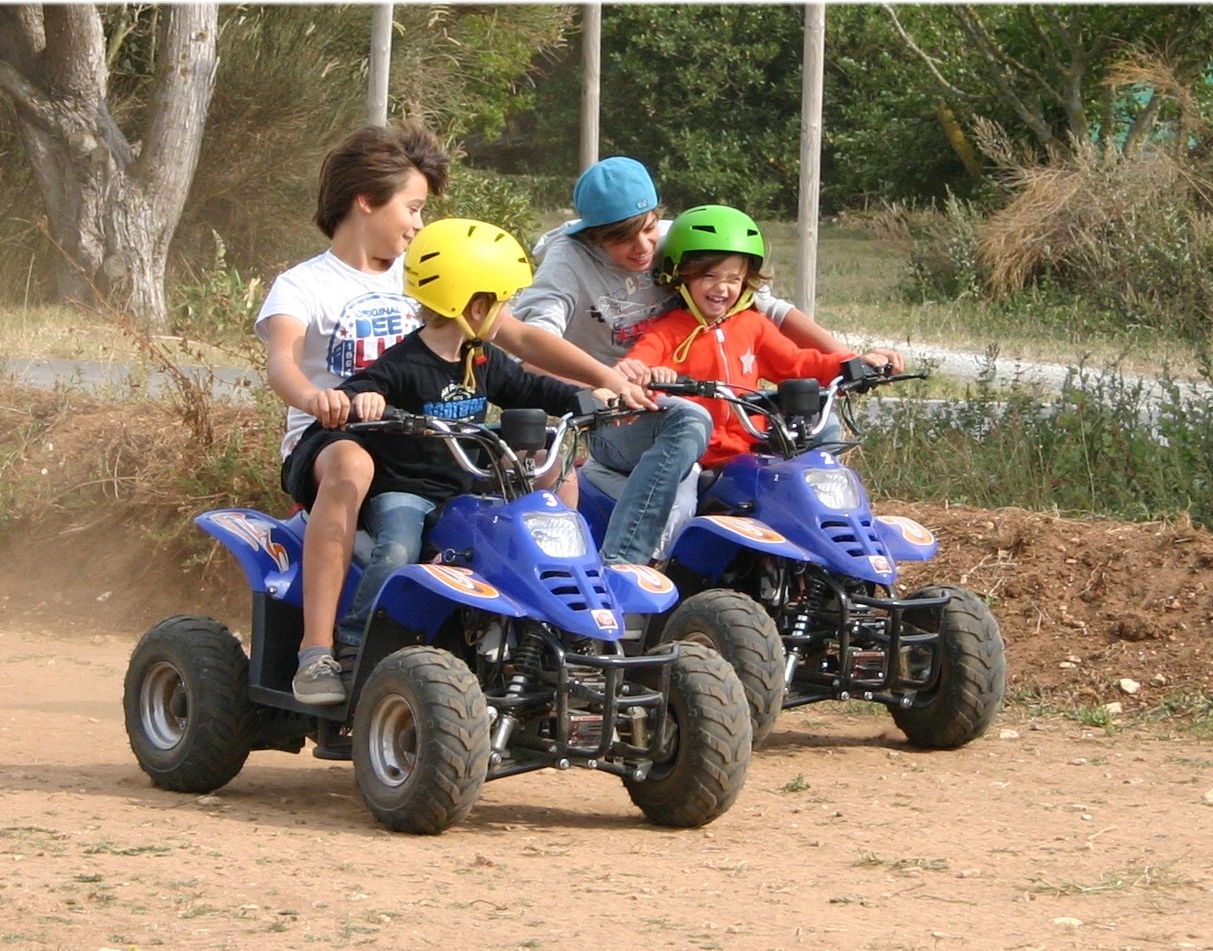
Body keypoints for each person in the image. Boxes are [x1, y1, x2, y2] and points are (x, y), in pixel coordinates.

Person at [257, 122, 650, 706]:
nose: (419, 224)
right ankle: (319, 650)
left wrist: (603, 380)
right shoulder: (305, 285)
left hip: (436, 437)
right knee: (353, 466)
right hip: (337, 433)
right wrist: (318, 398)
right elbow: (281, 363)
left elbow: (517, 342)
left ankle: (540, 641)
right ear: (366, 200)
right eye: (412, 207)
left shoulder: (431, 276)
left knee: (549, 473)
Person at [510, 156, 886, 564]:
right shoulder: (568, 262)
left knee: (817, 421)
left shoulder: (679, 240)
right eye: (622, 238)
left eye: (649, 228)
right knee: (688, 420)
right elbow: (533, 346)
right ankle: (629, 562)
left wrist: (850, 360)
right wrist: (606, 382)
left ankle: (821, 560)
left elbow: (766, 309)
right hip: (619, 411)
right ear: (593, 236)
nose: (643, 248)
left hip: (698, 397)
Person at [325, 218, 615, 653]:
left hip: (465, 488)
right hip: (407, 491)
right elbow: (362, 387)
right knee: (399, 549)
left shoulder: (480, 358)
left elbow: (530, 388)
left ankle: (534, 640)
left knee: (519, 540)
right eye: (504, 304)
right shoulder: (406, 362)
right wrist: (364, 397)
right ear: (475, 308)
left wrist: (589, 401)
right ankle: (357, 640)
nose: (508, 315)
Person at [624, 204, 900, 467]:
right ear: (681, 275)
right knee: (679, 506)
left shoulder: (753, 326)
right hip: (696, 457)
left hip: (752, 450)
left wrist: (853, 366)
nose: (722, 288)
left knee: (816, 455)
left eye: (733, 279)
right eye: (709, 276)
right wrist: (650, 377)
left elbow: (798, 363)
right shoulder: (666, 332)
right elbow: (636, 369)